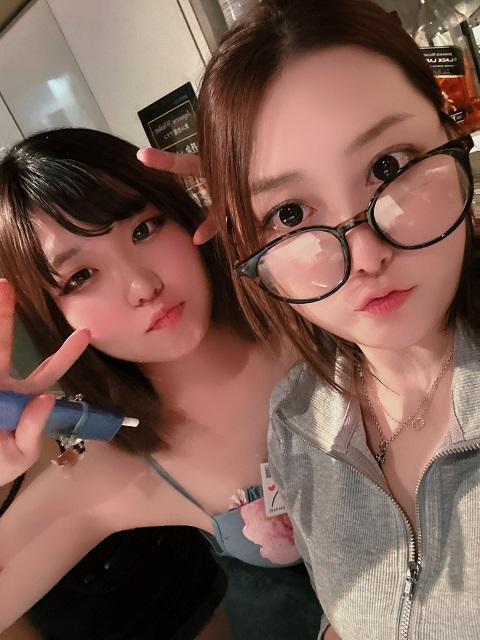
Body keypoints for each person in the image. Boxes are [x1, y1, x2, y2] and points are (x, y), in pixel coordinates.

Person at [171, 0, 479, 638]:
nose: (365, 255)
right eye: (288, 214)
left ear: (453, 128)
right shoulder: (297, 420)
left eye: (389, 167)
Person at [0, 128, 321, 638]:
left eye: (144, 229)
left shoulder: (310, 299)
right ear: (52, 315)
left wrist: (282, 192)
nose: (143, 286)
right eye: (81, 276)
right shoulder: (119, 467)